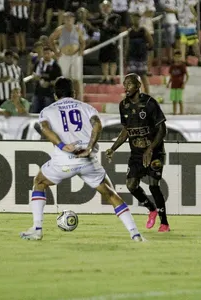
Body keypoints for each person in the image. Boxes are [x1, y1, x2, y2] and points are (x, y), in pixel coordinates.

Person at [20, 77, 145, 242]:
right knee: (110, 193)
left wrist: (62, 145)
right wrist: (90, 147)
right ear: (74, 93)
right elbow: (97, 125)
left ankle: (37, 229)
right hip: (87, 160)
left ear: (55, 95)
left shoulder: (47, 111)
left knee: (39, 182)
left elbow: (45, 128)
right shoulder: (86, 108)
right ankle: (135, 234)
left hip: (64, 161)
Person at [105, 73, 170, 232]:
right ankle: (151, 209)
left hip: (154, 152)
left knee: (154, 185)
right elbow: (126, 130)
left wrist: (150, 149)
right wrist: (113, 148)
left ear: (138, 85)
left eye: (129, 84)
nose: (125, 87)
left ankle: (164, 223)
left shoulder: (149, 103)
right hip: (136, 154)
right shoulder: (123, 105)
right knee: (131, 185)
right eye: (124, 84)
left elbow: (162, 130)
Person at [48, 12, 85, 100]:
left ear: (73, 19)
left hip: (75, 55)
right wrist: (56, 51)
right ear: (63, 19)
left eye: (70, 18)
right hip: (63, 55)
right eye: (66, 18)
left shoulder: (77, 29)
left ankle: (78, 98)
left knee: (76, 78)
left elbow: (82, 42)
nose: (68, 19)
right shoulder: (60, 29)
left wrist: (81, 51)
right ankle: (63, 98)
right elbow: (51, 39)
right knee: (63, 78)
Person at [125, 13, 153, 94]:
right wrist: (126, 57)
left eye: (137, 18)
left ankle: (147, 95)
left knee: (143, 76)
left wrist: (144, 50)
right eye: (134, 18)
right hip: (132, 57)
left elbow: (151, 42)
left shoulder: (143, 30)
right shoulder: (130, 32)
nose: (135, 20)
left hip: (142, 57)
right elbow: (127, 45)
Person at [32, 47, 62, 113]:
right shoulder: (38, 63)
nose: (46, 55)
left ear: (52, 54)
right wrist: (37, 78)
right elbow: (34, 74)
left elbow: (59, 80)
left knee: (48, 112)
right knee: (35, 110)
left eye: (48, 53)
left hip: (49, 93)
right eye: (44, 53)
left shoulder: (55, 66)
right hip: (37, 92)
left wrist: (49, 83)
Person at [166, 50, 189, 115]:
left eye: (179, 57)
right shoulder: (172, 66)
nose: (177, 58)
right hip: (173, 85)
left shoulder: (182, 66)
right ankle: (174, 112)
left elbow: (187, 76)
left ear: (181, 57)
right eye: (176, 57)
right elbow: (171, 76)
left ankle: (181, 112)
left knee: (180, 100)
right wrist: (168, 83)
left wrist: (184, 83)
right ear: (173, 57)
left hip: (180, 85)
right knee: (174, 100)